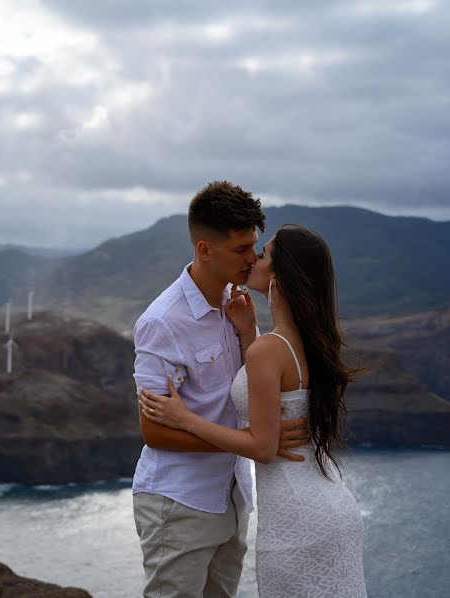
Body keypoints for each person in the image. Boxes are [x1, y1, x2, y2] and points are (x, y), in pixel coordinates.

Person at [140, 223, 367, 597]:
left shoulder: (269, 349)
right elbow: (270, 394)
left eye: (262, 254)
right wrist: (247, 332)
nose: (252, 260)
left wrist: (185, 419)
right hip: (329, 506)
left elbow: (262, 446)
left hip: (296, 521)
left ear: (278, 275)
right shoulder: (306, 341)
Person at [131, 181, 308, 598]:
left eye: (254, 246)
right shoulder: (163, 322)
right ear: (204, 249)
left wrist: (247, 331)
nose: (252, 259)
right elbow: (153, 431)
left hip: (232, 496)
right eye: (241, 249)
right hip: (179, 503)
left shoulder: (237, 303)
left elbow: (251, 387)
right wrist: (253, 443)